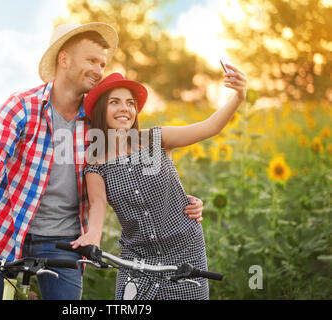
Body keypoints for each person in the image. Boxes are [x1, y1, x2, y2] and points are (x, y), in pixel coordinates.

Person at [0, 23, 206, 300]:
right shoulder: (20, 107)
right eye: (91, 60)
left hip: (64, 243)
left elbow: (135, 163)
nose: (99, 71)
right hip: (3, 232)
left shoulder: (98, 121)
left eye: (102, 63)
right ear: (64, 59)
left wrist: (179, 198)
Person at [73, 69, 246, 300]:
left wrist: (239, 97)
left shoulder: (156, 139)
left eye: (130, 103)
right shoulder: (95, 163)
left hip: (184, 251)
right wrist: (93, 236)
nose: (125, 108)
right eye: (115, 102)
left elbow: (210, 127)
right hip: (136, 258)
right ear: (100, 109)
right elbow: (97, 203)